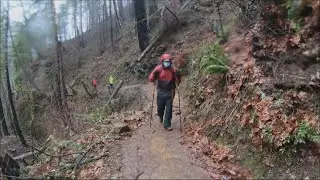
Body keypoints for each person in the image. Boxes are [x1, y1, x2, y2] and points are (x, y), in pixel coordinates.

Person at [148, 53, 181, 131]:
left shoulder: (173, 70)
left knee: (169, 109)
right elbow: (151, 77)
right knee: (160, 108)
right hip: (160, 92)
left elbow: (178, 80)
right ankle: (160, 116)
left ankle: (167, 124)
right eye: (165, 61)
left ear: (170, 62)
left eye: (168, 61)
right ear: (162, 61)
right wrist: (152, 79)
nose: (167, 63)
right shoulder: (158, 69)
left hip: (170, 91)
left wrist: (178, 76)